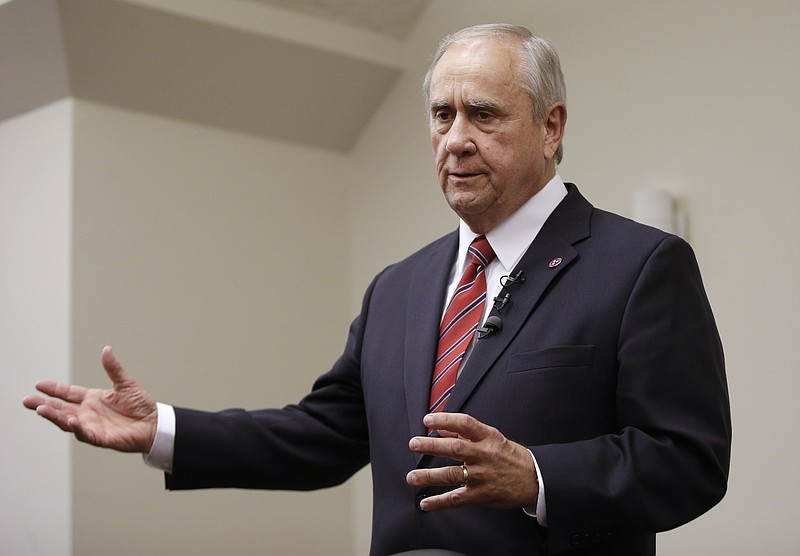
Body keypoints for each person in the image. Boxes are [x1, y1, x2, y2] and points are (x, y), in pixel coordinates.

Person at [23, 23, 731, 556]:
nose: (455, 138)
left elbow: (689, 460)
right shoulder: (400, 286)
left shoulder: (639, 266)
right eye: (440, 114)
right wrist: (166, 431)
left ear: (551, 127)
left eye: (483, 114)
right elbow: (325, 435)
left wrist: (538, 475)